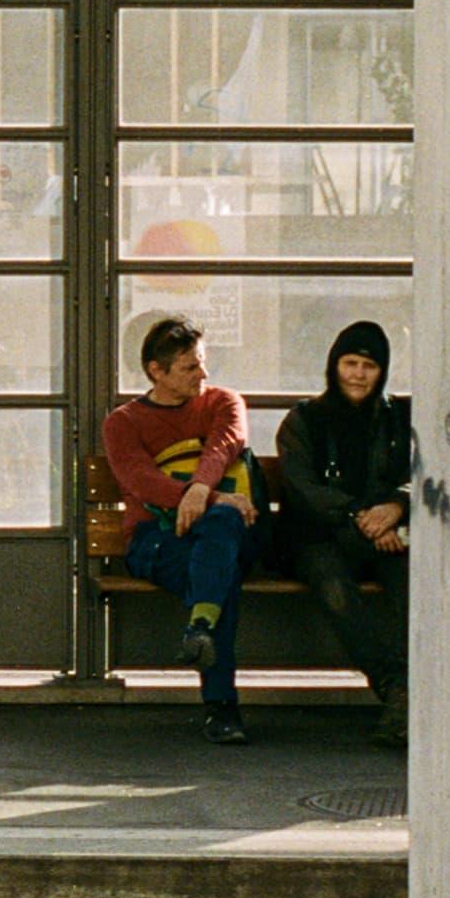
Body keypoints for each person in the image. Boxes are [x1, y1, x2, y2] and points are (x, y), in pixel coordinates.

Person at [103, 315, 258, 746]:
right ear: (156, 370)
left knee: (222, 533)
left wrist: (200, 492)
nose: (202, 375)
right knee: (219, 575)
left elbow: (225, 443)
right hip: (155, 539)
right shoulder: (124, 422)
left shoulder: (223, 402)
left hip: (220, 531)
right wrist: (209, 497)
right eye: (190, 368)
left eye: (203, 363)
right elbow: (140, 481)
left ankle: (203, 642)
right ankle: (219, 695)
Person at [274, 319, 414, 746]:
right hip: (319, 538)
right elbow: (303, 488)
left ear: (383, 370)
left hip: (385, 535)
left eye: (368, 365)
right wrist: (361, 517)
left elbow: (426, 473)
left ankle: (408, 695)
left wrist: (398, 506)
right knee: (334, 585)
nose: (357, 374)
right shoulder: (305, 419)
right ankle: (396, 689)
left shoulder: (402, 418)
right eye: (349, 363)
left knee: (413, 584)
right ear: (333, 366)